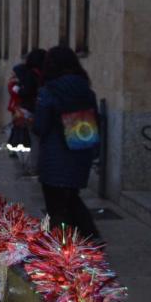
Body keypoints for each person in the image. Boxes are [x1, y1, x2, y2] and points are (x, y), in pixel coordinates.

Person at [34, 46, 101, 240]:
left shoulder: (49, 91)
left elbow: (41, 126)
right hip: (81, 153)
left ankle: (63, 248)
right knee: (71, 197)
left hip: (55, 157)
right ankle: (90, 238)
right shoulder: (86, 90)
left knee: (56, 205)